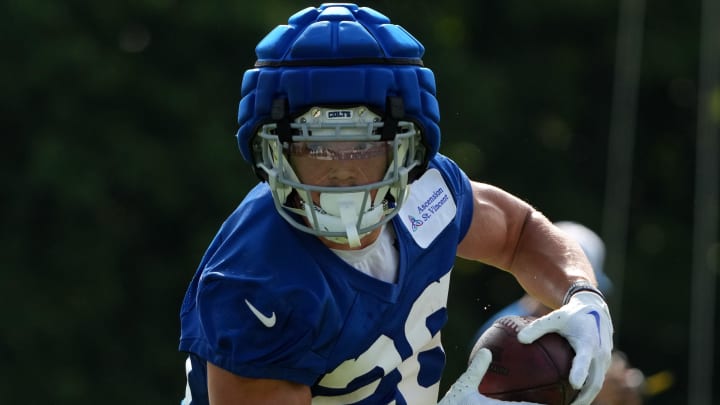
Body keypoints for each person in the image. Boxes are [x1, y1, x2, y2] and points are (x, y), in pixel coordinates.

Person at [178, 4, 613, 405]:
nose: (341, 173)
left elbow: (518, 235)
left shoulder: (429, 190)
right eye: (317, 150)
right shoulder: (256, 286)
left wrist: (582, 297)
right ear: (274, 153)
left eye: (363, 149)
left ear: (407, 148)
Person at [470, 222, 644, 405]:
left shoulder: (573, 331)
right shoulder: (500, 334)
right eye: (570, 285)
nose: (579, 298)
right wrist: (591, 391)